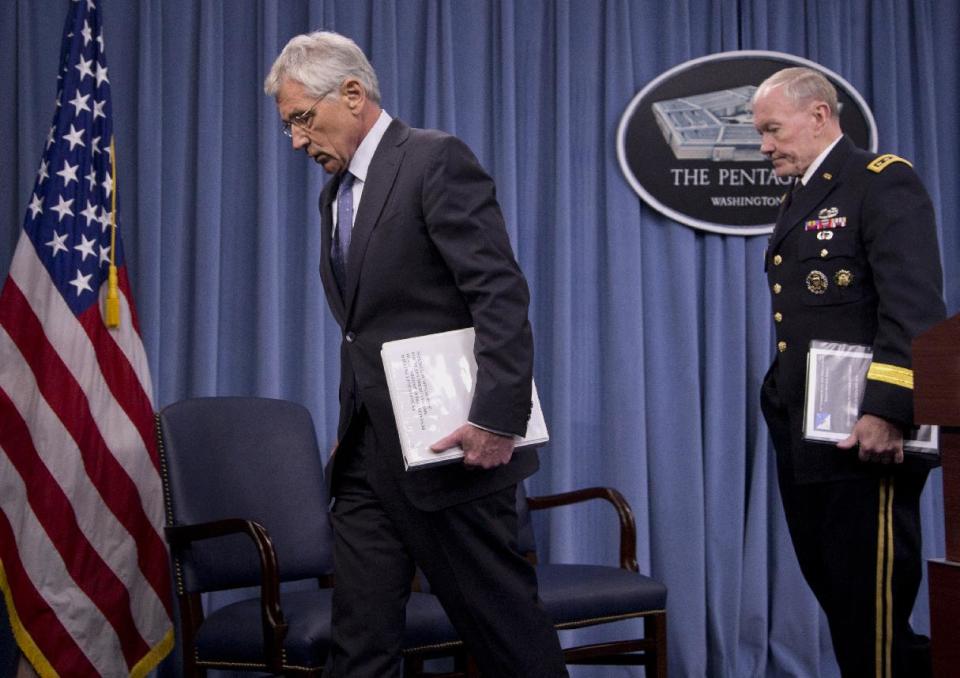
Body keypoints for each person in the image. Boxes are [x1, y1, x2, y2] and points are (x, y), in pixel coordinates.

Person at [264, 31, 567, 678]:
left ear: (351, 94)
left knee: (506, 633)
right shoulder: (335, 194)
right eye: (288, 125)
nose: (295, 140)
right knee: (361, 645)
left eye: (301, 119)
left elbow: (499, 293)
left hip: (451, 450)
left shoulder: (433, 160)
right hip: (367, 457)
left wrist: (498, 417)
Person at [753, 67, 946, 677]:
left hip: (868, 435)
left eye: (772, 130)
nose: (764, 146)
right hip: (810, 430)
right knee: (842, 598)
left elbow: (913, 307)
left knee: (873, 604)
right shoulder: (807, 192)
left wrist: (888, 411)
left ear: (818, 116)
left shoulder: (879, 183)